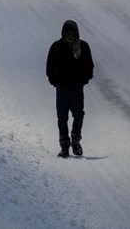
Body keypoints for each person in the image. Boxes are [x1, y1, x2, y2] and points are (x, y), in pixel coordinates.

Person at [46, 19, 94, 157]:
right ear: (63, 33)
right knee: (62, 118)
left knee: (78, 115)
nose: (70, 35)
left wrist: (83, 80)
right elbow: (49, 66)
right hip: (62, 88)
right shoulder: (56, 47)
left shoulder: (83, 46)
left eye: (72, 33)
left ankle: (76, 140)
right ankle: (64, 146)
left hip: (77, 89)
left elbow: (89, 66)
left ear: (76, 33)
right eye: (67, 33)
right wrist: (55, 81)